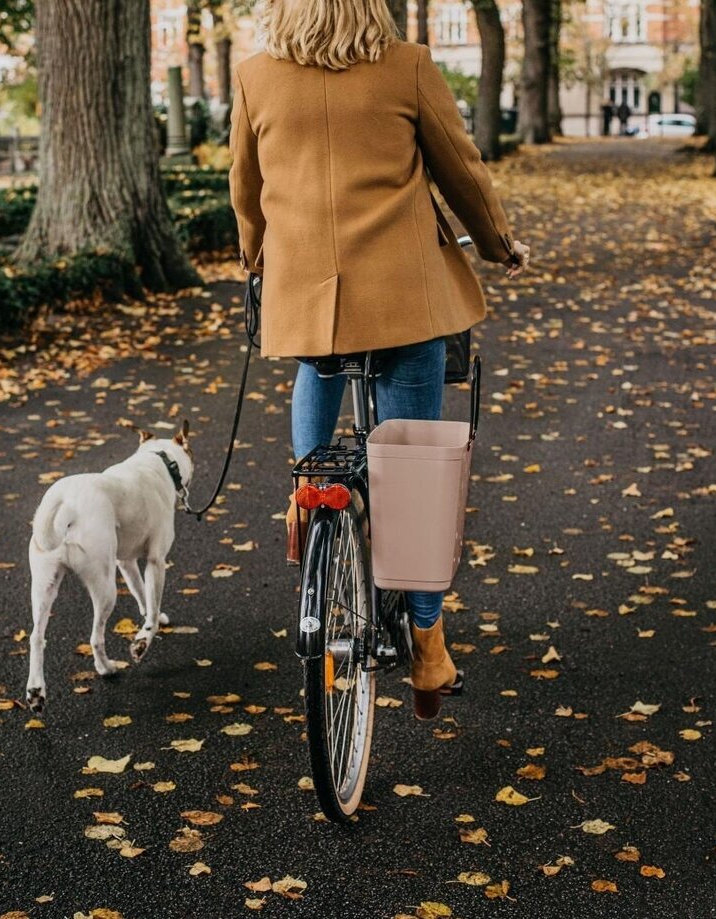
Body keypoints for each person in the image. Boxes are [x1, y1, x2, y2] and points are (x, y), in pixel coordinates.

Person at [229, 0, 530, 720]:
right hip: (404, 300)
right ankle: (428, 643)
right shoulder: (408, 67)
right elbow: (461, 168)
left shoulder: (255, 78)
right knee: (417, 477)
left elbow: (245, 190)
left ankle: (311, 498)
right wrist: (497, 243)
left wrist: (257, 262)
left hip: (308, 298)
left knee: (319, 365)